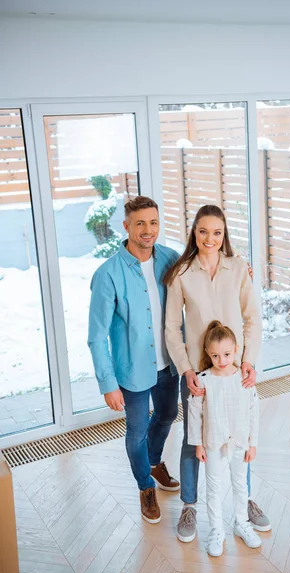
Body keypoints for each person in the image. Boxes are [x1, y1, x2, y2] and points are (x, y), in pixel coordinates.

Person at [164, 204, 271, 543]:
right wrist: (185, 370)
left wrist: (249, 360)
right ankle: (190, 505)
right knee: (193, 437)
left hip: (235, 369)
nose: (210, 238)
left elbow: (252, 318)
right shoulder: (181, 273)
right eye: (203, 231)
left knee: (239, 434)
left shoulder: (239, 268)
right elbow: (171, 328)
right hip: (198, 373)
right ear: (193, 232)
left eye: (217, 232)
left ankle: (245, 502)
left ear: (224, 235)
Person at [88, 196, 181, 525]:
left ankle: (154, 462)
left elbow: (204, 272)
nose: (148, 230)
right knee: (137, 431)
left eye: (153, 222)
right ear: (126, 226)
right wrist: (108, 384)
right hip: (131, 371)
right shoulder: (107, 275)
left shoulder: (171, 258)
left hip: (169, 361)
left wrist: (239, 268)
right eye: (140, 223)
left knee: (168, 414)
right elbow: (96, 336)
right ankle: (145, 486)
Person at [188, 320, 262, 557]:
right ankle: (216, 529)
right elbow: (194, 414)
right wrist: (198, 444)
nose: (222, 360)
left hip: (240, 443)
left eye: (227, 354)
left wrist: (253, 444)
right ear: (208, 355)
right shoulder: (203, 380)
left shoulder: (243, 379)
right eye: (216, 356)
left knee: (241, 485)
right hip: (212, 444)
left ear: (236, 350)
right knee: (214, 488)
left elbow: (254, 411)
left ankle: (242, 523)